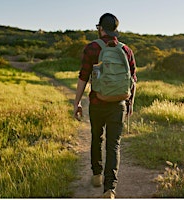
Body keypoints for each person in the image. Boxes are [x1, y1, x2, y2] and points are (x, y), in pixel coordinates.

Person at [73, 13, 137, 198]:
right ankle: (110, 189)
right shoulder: (126, 50)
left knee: (96, 137)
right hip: (119, 103)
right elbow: (133, 80)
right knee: (114, 145)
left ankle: (96, 175)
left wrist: (76, 103)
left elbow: (83, 76)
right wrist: (130, 103)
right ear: (116, 29)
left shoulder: (92, 48)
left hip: (97, 102)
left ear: (100, 28)